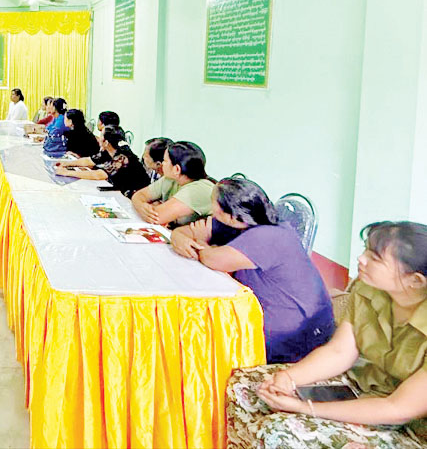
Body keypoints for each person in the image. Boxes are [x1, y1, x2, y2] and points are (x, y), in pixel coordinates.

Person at [225, 221, 427, 448]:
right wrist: (288, 378)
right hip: (360, 386)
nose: (361, 259)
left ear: (415, 280)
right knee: (245, 386)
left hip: (408, 426)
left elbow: (397, 409)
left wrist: (305, 408)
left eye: (375, 258)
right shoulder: (368, 289)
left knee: (279, 430)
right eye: (366, 250)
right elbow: (339, 351)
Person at [171, 178, 335, 363]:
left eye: (214, 205)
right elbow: (185, 232)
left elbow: (213, 260)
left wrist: (200, 241)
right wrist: (179, 237)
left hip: (297, 336)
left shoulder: (269, 234)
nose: (212, 211)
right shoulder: (239, 222)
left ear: (232, 215)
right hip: (271, 318)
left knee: (200, 338)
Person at [130, 140, 214, 227]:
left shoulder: (199, 189)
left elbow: (157, 216)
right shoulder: (170, 179)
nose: (162, 164)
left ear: (176, 169)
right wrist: (141, 205)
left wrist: (146, 206)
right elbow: (139, 195)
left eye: (165, 161)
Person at [54, 125, 150, 196]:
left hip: (134, 194)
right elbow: (89, 161)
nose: (99, 139)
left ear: (106, 142)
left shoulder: (122, 157)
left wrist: (67, 172)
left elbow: (99, 175)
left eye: (101, 136)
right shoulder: (108, 150)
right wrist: (67, 164)